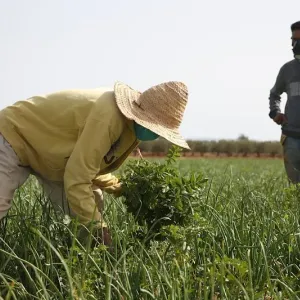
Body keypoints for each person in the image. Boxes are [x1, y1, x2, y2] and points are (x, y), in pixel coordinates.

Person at [0, 81, 190, 244]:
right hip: (14, 134)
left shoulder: (132, 127)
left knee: (91, 204)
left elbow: (89, 165)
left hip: (50, 156)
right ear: (142, 115)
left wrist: (120, 187)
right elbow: (78, 176)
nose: (155, 134)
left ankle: (84, 264)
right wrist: (99, 228)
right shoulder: (107, 118)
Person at [269, 21, 300, 184]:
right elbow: (274, 94)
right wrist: (275, 113)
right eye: (293, 40)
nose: (296, 44)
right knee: (295, 190)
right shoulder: (287, 70)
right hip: (292, 139)